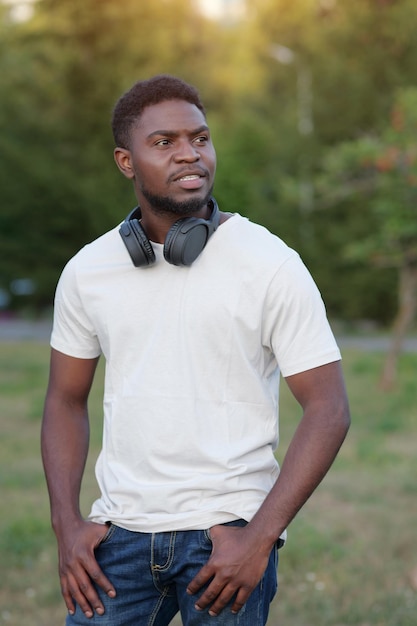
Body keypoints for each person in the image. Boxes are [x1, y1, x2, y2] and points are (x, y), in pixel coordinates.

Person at [41, 74, 350, 626]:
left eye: (200, 138)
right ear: (125, 161)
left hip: (225, 540)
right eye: (164, 143)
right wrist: (67, 525)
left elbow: (328, 409)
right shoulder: (88, 270)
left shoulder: (269, 263)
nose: (190, 155)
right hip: (118, 539)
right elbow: (65, 400)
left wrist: (260, 538)